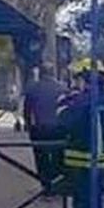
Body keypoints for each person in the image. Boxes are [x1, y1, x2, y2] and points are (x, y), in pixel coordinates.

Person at [60, 60, 104, 208]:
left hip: (79, 159)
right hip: (101, 159)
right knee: (98, 199)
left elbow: (64, 122)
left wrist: (65, 104)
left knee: (78, 201)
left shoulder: (81, 100)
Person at [22, 65, 66, 196]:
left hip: (39, 128)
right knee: (58, 157)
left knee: (41, 158)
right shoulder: (61, 88)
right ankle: (57, 184)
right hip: (58, 128)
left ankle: (46, 186)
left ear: (40, 74)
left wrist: (29, 126)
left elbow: (27, 111)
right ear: (53, 73)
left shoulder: (33, 89)